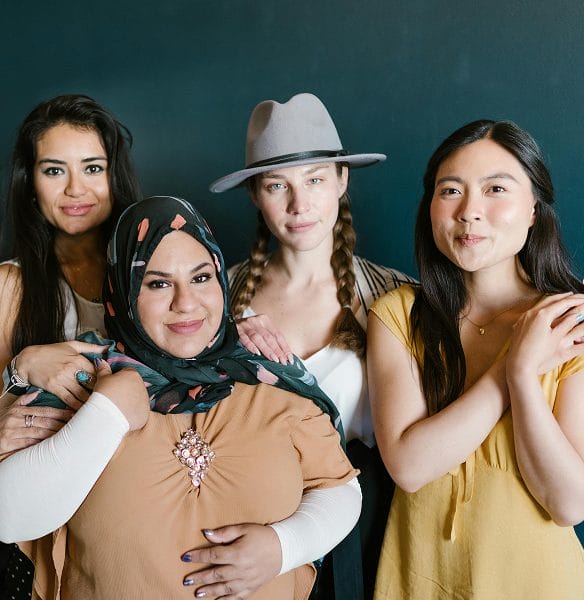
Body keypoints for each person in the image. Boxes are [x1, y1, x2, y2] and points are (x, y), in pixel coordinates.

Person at [0, 195, 361, 599]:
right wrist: (108, 412)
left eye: (201, 278)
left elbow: (340, 487)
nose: (186, 303)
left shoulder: (269, 371)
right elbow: (9, 517)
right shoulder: (72, 377)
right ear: (123, 291)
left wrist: (283, 546)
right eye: (157, 283)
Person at [367, 119, 584, 599]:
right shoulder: (397, 316)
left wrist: (522, 375)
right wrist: (513, 365)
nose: (470, 212)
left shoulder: (574, 323)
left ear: (534, 208)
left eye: (496, 189)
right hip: (420, 581)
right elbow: (409, 466)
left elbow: (570, 503)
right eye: (450, 190)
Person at [209, 92, 414, 597]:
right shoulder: (216, 300)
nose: (299, 206)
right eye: (277, 186)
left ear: (342, 181)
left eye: (316, 180)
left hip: (365, 528)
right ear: (256, 194)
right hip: (247, 522)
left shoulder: (393, 296)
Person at [0, 93, 142, 598]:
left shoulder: (156, 279)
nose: (76, 189)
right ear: (29, 182)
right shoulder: (9, 286)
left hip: (139, 516)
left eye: (93, 168)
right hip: (33, 533)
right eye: (54, 170)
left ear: (114, 177)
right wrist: (18, 369)